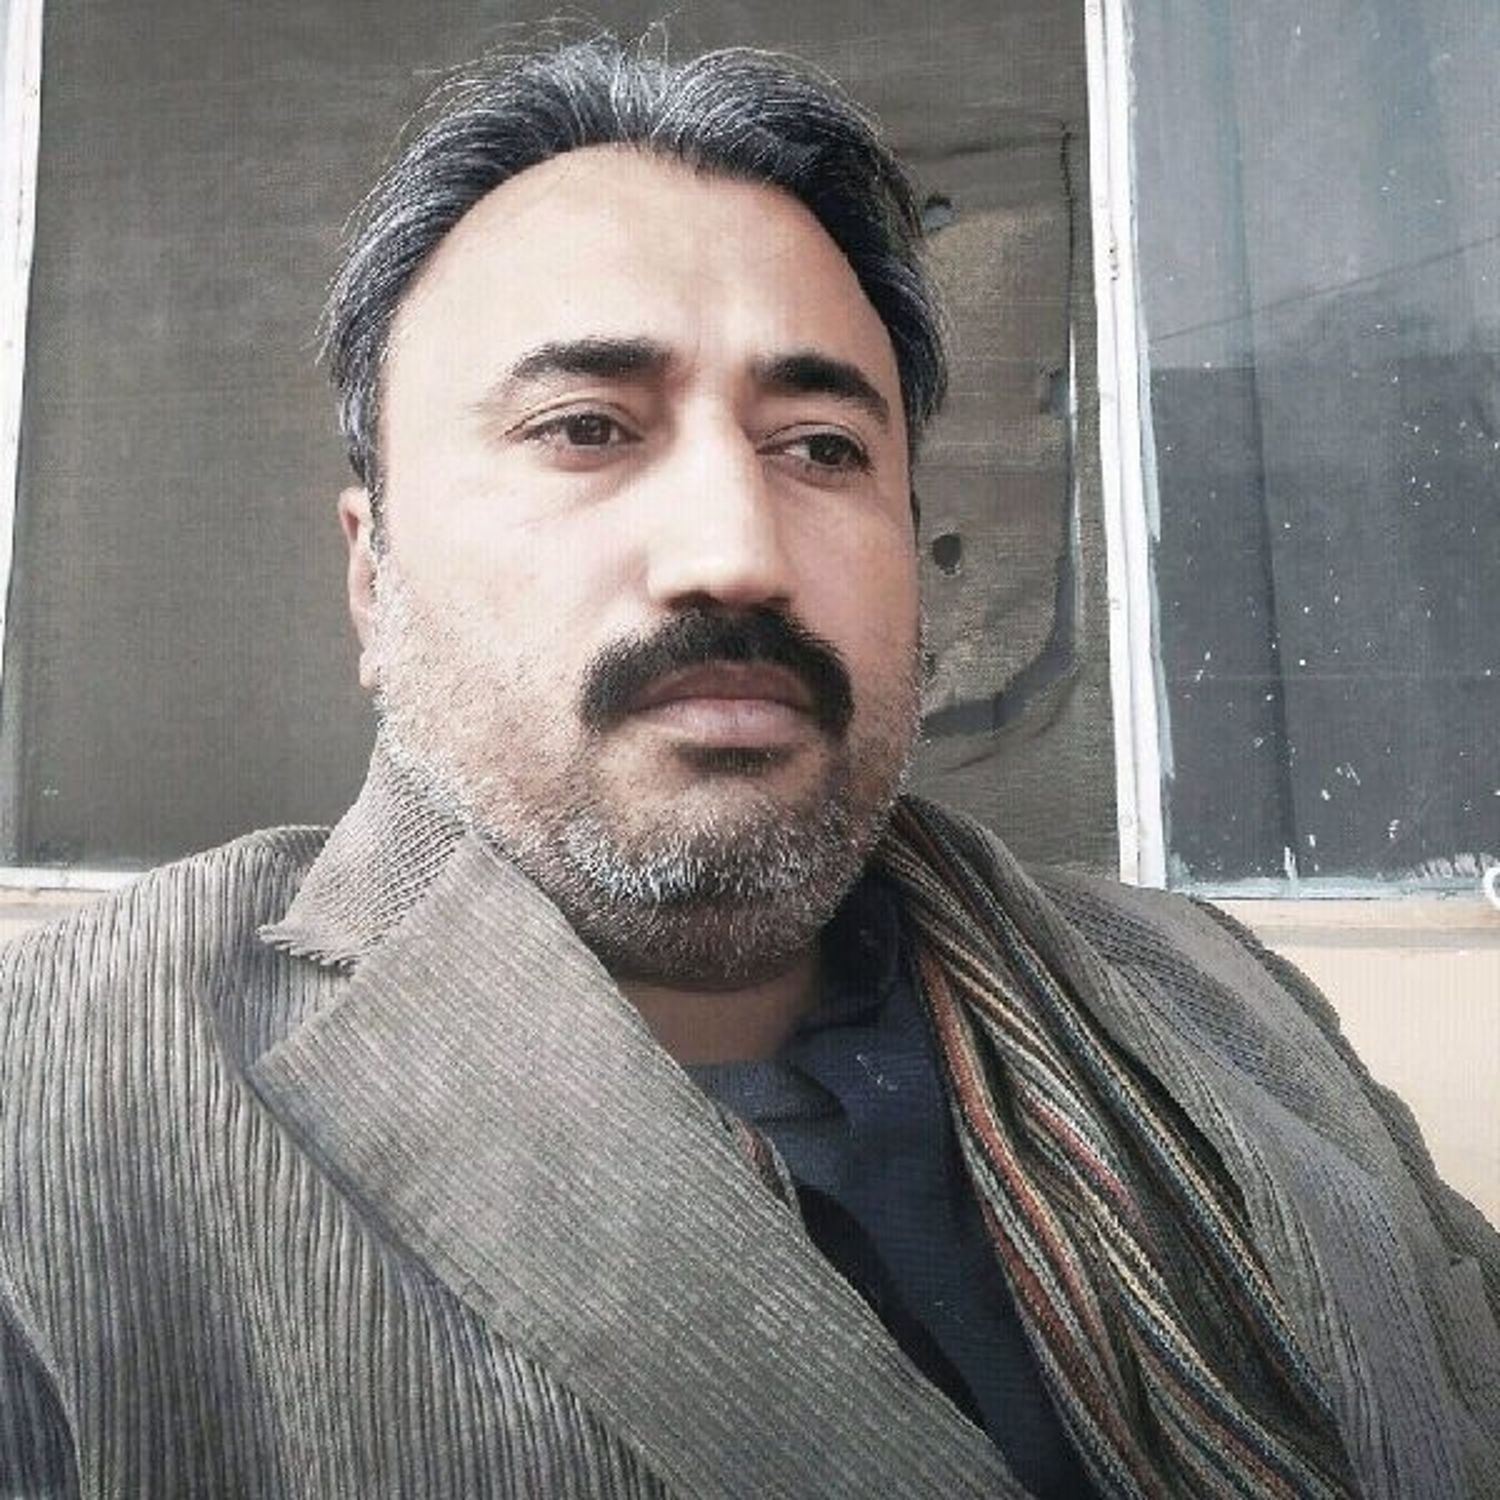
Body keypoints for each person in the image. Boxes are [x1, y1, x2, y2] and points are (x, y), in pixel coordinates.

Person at [1, 33, 1496, 1500]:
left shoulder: (1217, 996)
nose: (736, 552)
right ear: (370, 577)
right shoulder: (53, 1100)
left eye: (823, 448)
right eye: (586, 428)